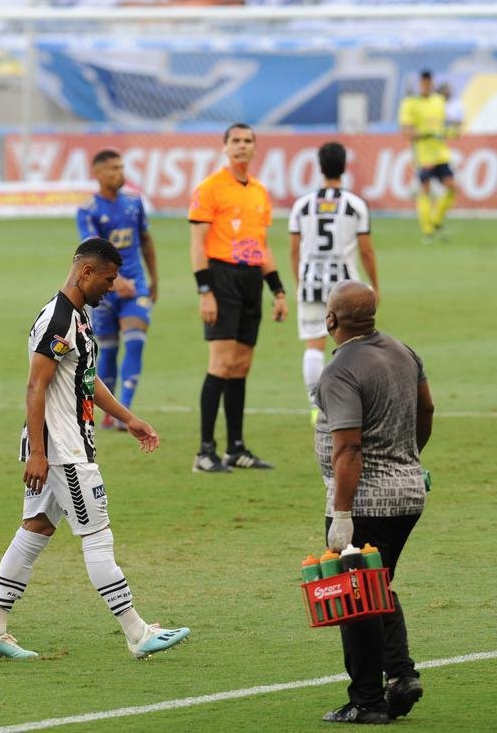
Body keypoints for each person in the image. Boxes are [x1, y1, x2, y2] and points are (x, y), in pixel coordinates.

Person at [0, 238, 190, 661]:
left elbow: (84, 378)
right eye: (108, 279)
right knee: (97, 534)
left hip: (62, 444)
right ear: (86, 272)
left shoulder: (77, 316)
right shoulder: (57, 320)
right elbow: (35, 386)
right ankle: (137, 632)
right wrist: (38, 453)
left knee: (35, 529)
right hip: (63, 450)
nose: (112, 287)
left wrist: (128, 418)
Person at [315, 281, 433, 724]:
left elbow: (348, 447)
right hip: (409, 493)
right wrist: (409, 456)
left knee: (354, 599)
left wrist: (342, 514)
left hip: (366, 501)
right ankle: (401, 675)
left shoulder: (340, 370)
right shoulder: (403, 351)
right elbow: (427, 409)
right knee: (376, 585)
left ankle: (366, 702)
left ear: (331, 319)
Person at [188, 122, 288, 473]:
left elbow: (262, 245)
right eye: (236, 141)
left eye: (248, 141)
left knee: (241, 366)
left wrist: (277, 290)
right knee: (220, 363)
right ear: (225, 146)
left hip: (251, 280)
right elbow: (197, 244)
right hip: (222, 277)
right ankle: (204, 452)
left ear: (255, 148)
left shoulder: (259, 191)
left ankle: (236, 448)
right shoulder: (210, 188)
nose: (242, 146)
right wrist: (205, 291)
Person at [289, 142, 378, 425]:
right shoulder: (355, 204)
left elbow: (294, 250)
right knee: (354, 346)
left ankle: (316, 407)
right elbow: (366, 251)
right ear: (344, 166)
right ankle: (353, 403)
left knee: (314, 346)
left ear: (320, 167)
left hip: (311, 283)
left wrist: (300, 282)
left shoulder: (302, 205)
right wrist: (374, 285)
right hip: (347, 287)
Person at [76, 149, 158, 430]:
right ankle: (109, 412)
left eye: (121, 167)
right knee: (108, 350)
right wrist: (116, 280)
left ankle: (126, 409)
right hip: (104, 291)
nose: (119, 173)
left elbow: (146, 241)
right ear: (97, 173)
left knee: (135, 340)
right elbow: (93, 251)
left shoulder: (134, 203)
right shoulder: (88, 210)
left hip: (136, 286)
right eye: (113, 168)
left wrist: (154, 279)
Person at [398, 70, 458, 242]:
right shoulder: (410, 103)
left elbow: (443, 127)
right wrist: (426, 133)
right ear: (419, 84)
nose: (426, 86)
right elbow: (407, 131)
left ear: (432, 83)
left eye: (428, 83)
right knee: (425, 189)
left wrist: (452, 131)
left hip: (440, 153)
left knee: (452, 187)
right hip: (423, 155)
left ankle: (436, 220)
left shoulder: (439, 101)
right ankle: (427, 230)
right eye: (423, 83)